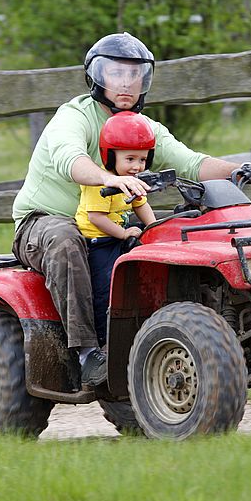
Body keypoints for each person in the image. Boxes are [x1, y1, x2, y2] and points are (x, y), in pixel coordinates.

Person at [11, 31, 251, 390]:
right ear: (96, 76)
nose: (125, 84)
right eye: (116, 73)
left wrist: (243, 168)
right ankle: (88, 354)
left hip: (109, 224)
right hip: (43, 222)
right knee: (65, 240)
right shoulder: (73, 117)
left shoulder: (142, 127)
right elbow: (69, 160)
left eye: (134, 75)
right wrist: (110, 178)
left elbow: (191, 163)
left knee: (175, 233)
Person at [76, 111, 158, 346]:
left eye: (142, 160)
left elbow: (142, 205)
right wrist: (123, 234)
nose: (137, 166)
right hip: (97, 241)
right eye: (130, 159)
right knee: (106, 287)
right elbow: (96, 218)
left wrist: (155, 229)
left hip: (117, 236)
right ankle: (103, 342)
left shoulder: (132, 181)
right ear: (110, 156)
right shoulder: (102, 182)